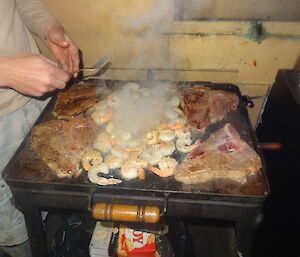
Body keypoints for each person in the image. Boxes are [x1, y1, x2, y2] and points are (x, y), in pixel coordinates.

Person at [0, 0, 80, 256]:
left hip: (36, 98)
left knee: (50, 186)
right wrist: (6, 71)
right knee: (14, 226)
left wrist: (49, 29)